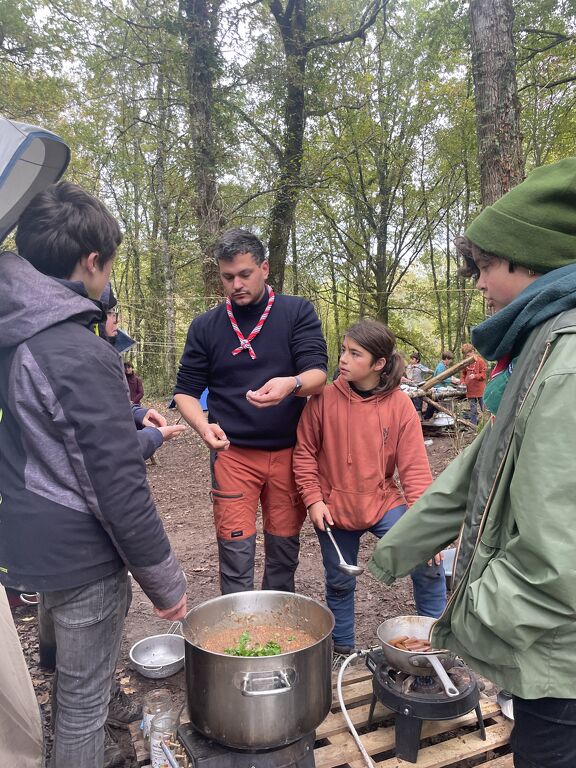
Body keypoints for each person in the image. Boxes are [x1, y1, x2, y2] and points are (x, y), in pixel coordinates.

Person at [368, 158, 576, 768]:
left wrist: (465, 621)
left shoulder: (566, 362)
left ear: (530, 258)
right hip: (549, 648)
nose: (479, 284)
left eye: (486, 266)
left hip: (563, 663)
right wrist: (394, 552)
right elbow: (481, 467)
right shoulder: (540, 342)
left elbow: (557, 561)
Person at [0, 181, 188, 768]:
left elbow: (45, 417)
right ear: (91, 261)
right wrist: (167, 585)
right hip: (80, 551)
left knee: (65, 671)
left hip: (29, 537)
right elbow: (117, 487)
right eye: (108, 264)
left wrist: (128, 415)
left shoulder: (17, 331)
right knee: (79, 710)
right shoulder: (78, 350)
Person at [174, 228, 327, 594]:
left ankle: (277, 618)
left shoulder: (296, 312)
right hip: (233, 454)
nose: (236, 285)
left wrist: (291, 384)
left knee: (283, 552)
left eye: (245, 274)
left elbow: (318, 375)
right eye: (228, 277)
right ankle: (236, 624)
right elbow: (185, 392)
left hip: (289, 452)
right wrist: (203, 427)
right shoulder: (206, 326)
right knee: (235, 553)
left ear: (265, 268)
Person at [293, 319, 446, 661]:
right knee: (339, 580)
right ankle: (342, 648)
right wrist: (313, 500)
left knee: (428, 559)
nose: (343, 359)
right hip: (334, 507)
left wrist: (428, 529)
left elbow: (415, 469)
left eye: (354, 353)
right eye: (343, 351)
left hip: (382, 501)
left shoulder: (400, 405)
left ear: (378, 364)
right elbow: (304, 454)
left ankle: (435, 638)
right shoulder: (322, 399)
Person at [422, 350, 455, 420]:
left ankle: (430, 417)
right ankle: (427, 418)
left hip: (441, 388)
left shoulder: (444, 366)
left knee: (435, 405)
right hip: (438, 388)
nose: (451, 361)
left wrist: (452, 379)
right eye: (450, 360)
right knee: (433, 405)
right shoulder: (441, 367)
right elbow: (441, 378)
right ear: (446, 359)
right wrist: (451, 380)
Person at [459, 342, 487, 425]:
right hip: (470, 390)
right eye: (465, 356)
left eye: (468, 355)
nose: (467, 357)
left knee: (484, 408)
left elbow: (483, 375)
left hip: (480, 390)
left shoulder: (480, 361)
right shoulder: (466, 363)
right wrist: (462, 382)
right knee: (473, 409)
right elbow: (463, 374)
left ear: (472, 352)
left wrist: (475, 376)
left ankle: (487, 424)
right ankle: (473, 425)